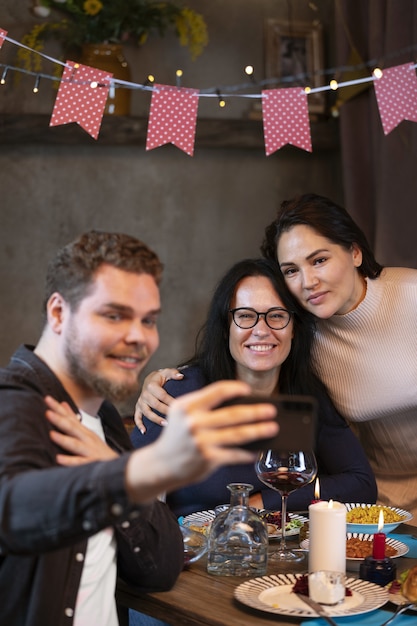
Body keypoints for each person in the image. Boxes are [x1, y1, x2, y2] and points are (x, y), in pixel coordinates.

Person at [0, 231, 280, 626]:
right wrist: (144, 469)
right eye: (114, 315)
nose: (138, 337)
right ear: (59, 313)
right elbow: (13, 511)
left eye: (148, 320)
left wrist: (132, 473)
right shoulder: (11, 403)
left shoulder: (104, 420)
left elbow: (160, 567)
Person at [132, 258, 377, 517]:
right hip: (192, 551)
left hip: (280, 552)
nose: (261, 330)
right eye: (246, 316)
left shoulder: (305, 398)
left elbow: (361, 484)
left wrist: (260, 502)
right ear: (227, 327)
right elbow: (128, 491)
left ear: (294, 328)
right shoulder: (177, 394)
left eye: (277, 316)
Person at [261, 192, 417, 523]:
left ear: (355, 252)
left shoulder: (412, 295)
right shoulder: (301, 338)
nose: (308, 282)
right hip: (376, 508)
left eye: (319, 260)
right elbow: (234, 349)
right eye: (291, 270)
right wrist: (161, 381)